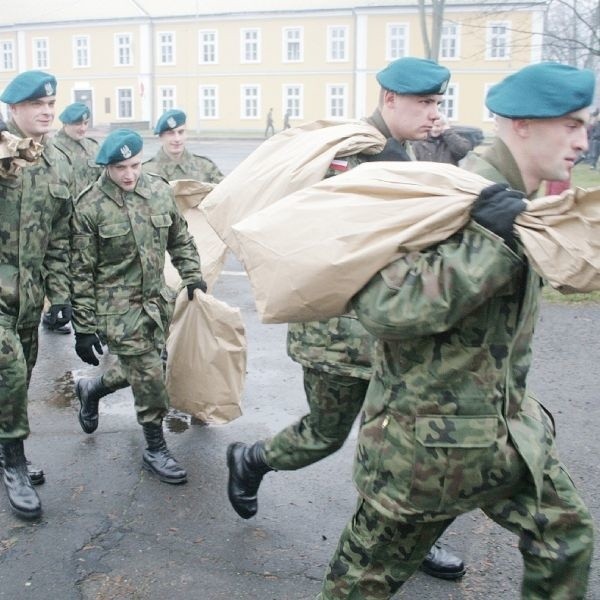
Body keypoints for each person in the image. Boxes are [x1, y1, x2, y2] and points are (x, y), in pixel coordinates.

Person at [317, 62, 595, 599]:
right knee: (361, 583)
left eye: (587, 125)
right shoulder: (455, 194)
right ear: (521, 124)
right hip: (425, 447)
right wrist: (489, 238)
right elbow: (384, 308)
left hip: (501, 431)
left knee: (566, 537)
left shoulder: (517, 197)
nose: (584, 141)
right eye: (571, 125)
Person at [227, 57, 465, 580]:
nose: (433, 114)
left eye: (437, 104)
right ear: (389, 100)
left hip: (399, 333)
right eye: (424, 104)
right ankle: (251, 459)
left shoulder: (414, 150)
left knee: (410, 445)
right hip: (339, 334)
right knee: (323, 435)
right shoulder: (352, 155)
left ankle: (408, 537)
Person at [70, 129, 206, 485]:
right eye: (120, 168)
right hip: (117, 308)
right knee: (148, 373)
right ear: (107, 167)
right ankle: (155, 447)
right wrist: (84, 326)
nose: (129, 175)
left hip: (156, 302)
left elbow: (180, 238)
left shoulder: (159, 190)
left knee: (148, 367)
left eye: (134, 165)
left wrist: (192, 274)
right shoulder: (89, 206)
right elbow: (81, 272)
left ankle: (92, 389)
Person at [0, 70, 73, 519]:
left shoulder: (56, 163)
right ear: (13, 111)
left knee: (18, 379)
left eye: (50, 104)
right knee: (8, 371)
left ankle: (6, 444)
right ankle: (14, 464)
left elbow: (60, 238)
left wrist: (60, 296)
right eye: (35, 105)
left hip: (29, 297)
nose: (46, 111)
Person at [42, 102, 103, 334]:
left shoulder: (92, 148)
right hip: (62, 222)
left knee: (90, 271)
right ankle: (53, 314)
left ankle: (94, 324)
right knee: (61, 269)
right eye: (78, 123)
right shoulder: (53, 147)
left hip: (87, 223)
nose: (82, 128)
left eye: (86, 123)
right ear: (66, 123)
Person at [143, 109, 224, 184]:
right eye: (171, 133)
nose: (177, 139)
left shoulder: (205, 167)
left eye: (181, 132)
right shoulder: (146, 172)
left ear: (186, 134)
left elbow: (226, 193)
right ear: (161, 137)